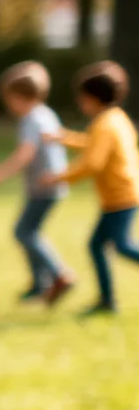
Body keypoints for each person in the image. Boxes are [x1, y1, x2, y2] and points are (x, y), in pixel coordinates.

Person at [39, 61, 139, 317]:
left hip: (120, 197)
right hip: (122, 195)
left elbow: (93, 162)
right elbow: (94, 145)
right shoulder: (116, 119)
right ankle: (107, 301)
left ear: (92, 98)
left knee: (121, 245)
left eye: (81, 98)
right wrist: (65, 138)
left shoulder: (104, 125)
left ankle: (107, 301)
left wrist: (59, 178)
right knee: (98, 245)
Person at [0, 61, 74, 305]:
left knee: (24, 232)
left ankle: (59, 275)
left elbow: (26, 154)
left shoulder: (31, 120)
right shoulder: (46, 114)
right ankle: (39, 285)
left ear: (19, 97)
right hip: (50, 186)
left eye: (9, 99)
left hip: (45, 187)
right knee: (29, 232)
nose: (8, 105)